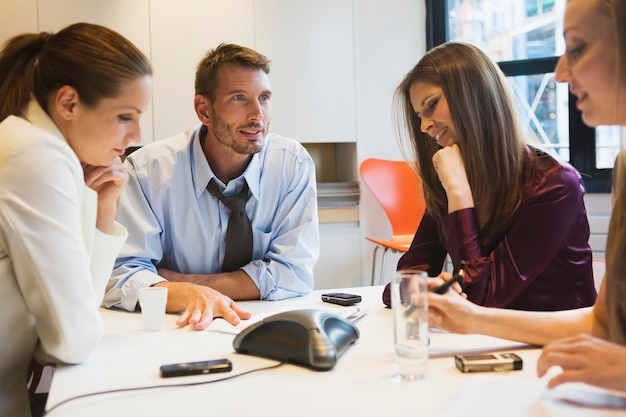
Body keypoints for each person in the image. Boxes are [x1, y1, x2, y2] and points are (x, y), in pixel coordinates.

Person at [427, 0, 626, 392]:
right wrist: (470, 319)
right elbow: (600, 323)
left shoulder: (555, 182)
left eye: (579, 48)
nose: (561, 72)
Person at [105, 43, 319, 331]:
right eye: (240, 98)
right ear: (204, 110)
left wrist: (184, 284)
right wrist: (187, 295)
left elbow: (294, 274)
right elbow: (123, 275)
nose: (258, 115)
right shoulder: (148, 171)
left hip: (263, 322)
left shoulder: (291, 164)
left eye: (264, 98)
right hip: (178, 326)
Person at [0, 23, 152, 417]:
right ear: (68, 103)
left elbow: (81, 303)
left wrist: (102, 209)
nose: (136, 133)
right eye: (124, 116)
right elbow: (72, 339)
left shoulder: (35, 145)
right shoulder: (36, 155)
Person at [383, 40, 596, 311]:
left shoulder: (555, 185)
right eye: (419, 115)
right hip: (488, 342)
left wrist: (459, 193)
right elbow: (398, 286)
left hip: (555, 346)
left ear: (473, 95)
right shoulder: (451, 176)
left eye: (432, 105)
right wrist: (423, 289)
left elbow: (480, 300)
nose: (424, 126)